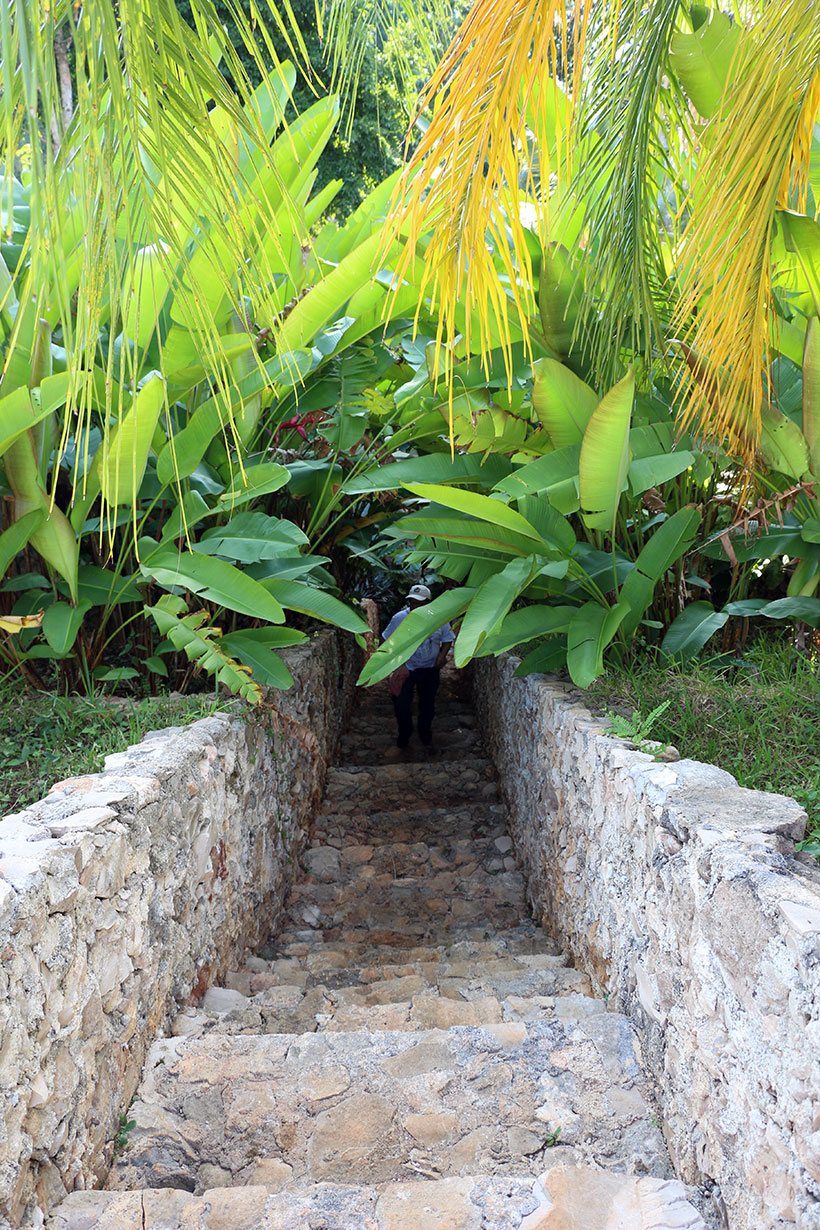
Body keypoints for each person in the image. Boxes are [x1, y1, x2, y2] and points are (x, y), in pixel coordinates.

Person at [382, 584, 456, 757]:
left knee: (427, 704)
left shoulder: (439, 618)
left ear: (428, 603)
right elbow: (386, 639)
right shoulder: (399, 618)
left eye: (420, 603)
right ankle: (404, 736)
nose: (415, 606)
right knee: (402, 704)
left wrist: (442, 656)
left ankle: (425, 735)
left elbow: (447, 639)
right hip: (407, 668)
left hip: (430, 668)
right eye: (412, 602)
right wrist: (394, 663)